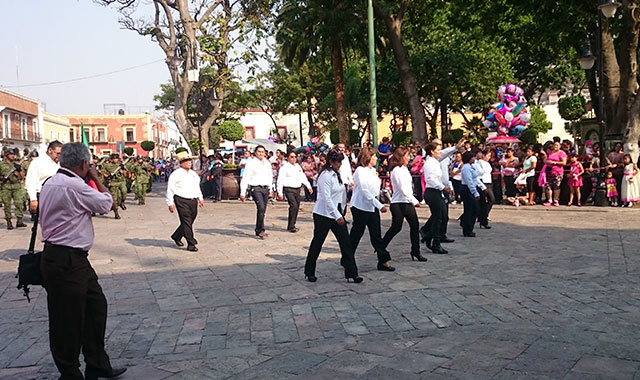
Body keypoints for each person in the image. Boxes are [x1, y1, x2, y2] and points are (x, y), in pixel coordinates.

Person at [39, 143, 126, 380]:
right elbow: (107, 204)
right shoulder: (73, 185)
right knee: (67, 318)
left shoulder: (51, 182)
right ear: (84, 164)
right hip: (66, 259)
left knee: (95, 307)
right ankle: (69, 373)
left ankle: (97, 364)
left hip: (69, 258)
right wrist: (97, 179)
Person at [304, 149, 362, 283]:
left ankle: (352, 273)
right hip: (323, 214)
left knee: (346, 243)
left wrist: (342, 211)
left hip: (337, 212)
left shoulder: (337, 174)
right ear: (331, 162)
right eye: (337, 162)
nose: (340, 164)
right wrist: (337, 215)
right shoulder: (325, 176)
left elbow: (341, 194)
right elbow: (326, 198)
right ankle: (309, 271)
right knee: (317, 242)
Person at [349, 147, 394, 271]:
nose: (376, 159)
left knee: (376, 235)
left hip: (371, 206)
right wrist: (379, 205)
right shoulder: (360, 171)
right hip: (360, 206)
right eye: (373, 156)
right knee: (356, 234)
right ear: (367, 157)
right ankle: (347, 258)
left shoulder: (372, 171)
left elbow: (374, 189)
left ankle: (383, 261)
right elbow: (364, 191)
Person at [382, 147, 427, 262]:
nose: (408, 158)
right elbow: (402, 188)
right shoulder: (396, 170)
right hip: (398, 203)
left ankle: (415, 251)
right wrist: (414, 200)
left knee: (415, 226)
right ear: (401, 157)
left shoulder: (404, 169)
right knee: (396, 227)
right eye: (406, 156)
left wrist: (411, 199)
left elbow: (408, 187)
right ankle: (381, 246)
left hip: (407, 202)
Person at [420, 138, 461, 249]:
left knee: (441, 216)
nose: (440, 152)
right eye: (438, 150)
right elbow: (430, 179)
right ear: (432, 151)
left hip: (437, 191)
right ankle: (435, 242)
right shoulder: (429, 163)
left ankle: (430, 237)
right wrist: (443, 187)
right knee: (438, 217)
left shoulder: (435, 161)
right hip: (432, 192)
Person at [166, 151, 204, 252]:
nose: (189, 162)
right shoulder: (176, 174)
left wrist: (200, 198)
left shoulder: (193, 174)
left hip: (193, 199)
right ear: (181, 163)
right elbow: (170, 189)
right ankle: (191, 243)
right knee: (186, 220)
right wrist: (170, 203)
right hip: (181, 200)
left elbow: (197, 187)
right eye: (186, 161)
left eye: (190, 161)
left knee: (189, 220)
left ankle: (176, 236)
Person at [240, 145, 273, 239]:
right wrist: (243, 192)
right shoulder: (251, 163)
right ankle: (260, 230)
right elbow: (245, 177)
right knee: (261, 207)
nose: (261, 153)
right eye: (259, 151)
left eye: (262, 152)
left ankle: (259, 228)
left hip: (265, 188)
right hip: (256, 188)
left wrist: (271, 189)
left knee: (263, 210)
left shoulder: (267, 163)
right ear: (255, 152)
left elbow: (269, 176)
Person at [277, 151, 313, 232]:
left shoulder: (297, 166)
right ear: (288, 158)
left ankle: (292, 223)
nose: (294, 159)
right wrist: (280, 192)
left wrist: (308, 186)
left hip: (297, 188)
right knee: (293, 205)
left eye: (295, 157)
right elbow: (280, 180)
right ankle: (291, 226)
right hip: (289, 188)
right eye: (291, 157)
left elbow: (302, 176)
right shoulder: (284, 167)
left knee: (296, 206)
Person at [0, 148, 27, 229]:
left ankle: (19, 220)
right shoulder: (1, 165)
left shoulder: (16, 164)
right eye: (11, 154)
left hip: (16, 186)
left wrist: (19, 169)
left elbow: (22, 177)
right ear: (6, 155)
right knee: (7, 205)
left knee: (19, 203)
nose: (13, 156)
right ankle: (9, 222)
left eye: (13, 154)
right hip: (6, 187)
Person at [459, 152, 482, 237]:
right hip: (467, 189)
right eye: (472, 157)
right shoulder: (466, 168)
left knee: (474, 209)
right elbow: (469, 181)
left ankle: (468, 225)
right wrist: (474, 192)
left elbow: (475, 178)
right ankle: (467, 228)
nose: (474, 159)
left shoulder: (472, 166)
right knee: (470, 209)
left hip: (471, 188)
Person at [102, 154, 127, 219]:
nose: (115, 160)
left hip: (121, 182)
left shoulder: (121, 165)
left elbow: (125, 174)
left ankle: (122, 202)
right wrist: (108, 176)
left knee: (124, 192)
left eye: (116, 159)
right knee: (115, 199)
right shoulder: (107, 166)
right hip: (113, 183)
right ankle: (116, 213)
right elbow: (103, 172)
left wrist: (123, 170)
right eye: (114, 159)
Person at [543, 142, 567, 207]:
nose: (555, 146)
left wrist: (555, 163)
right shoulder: (550, 152)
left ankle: (556, 200)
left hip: (558, 171)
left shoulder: (562, 153)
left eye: (557, 145)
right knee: (548, 185)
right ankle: (549, 200)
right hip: (549, 171)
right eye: (554, 145)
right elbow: (545, 160)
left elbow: (564, 162)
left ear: (560, 146)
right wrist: (547, 160)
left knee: (556, 185)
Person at [474, 150, 493, 229]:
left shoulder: (487, 163)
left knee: (491, 200)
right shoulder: (479, 163)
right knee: (482, 202)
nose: (489, 157)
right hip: (483, 182)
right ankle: (483, 219)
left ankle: (483, 215)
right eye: (488, 155)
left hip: (489, 182)